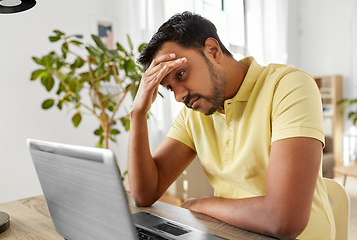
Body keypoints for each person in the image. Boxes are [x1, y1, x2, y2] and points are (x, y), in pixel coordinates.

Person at [127, 11, 335, 240]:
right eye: (169, 87)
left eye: (181, 74)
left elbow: (284, 219)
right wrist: (138, 113)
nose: (178, 96)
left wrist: (202, 204)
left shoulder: (289, 86)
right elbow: (144, 194)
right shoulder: (194, 113)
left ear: (212, 50)